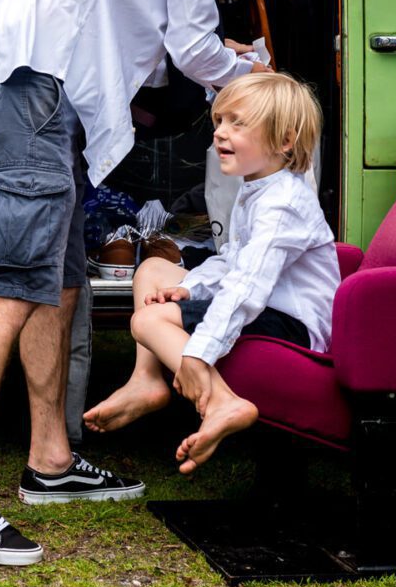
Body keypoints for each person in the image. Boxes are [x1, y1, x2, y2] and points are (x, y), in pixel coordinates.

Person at [0, 0, 287, 566]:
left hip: (37, 91)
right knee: (12, 284)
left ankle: (50, 461)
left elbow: (157, 45)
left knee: (58, 284)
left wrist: (222, 58)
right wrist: (257, 78)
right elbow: (189, 41)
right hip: (26, 87)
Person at [84, 71, 340, 472]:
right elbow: (234, 260)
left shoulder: (283, 204)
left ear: (285, 141)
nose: (220, 133)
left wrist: (200, 353)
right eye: (220, 120)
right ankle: (146, 380)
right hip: (267, 303)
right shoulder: (257, 187)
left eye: (238, 123)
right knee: (153, 269)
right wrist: (193, 288)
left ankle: (223, 401)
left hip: (293, 323)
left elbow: (247, 287)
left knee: (148, 322)